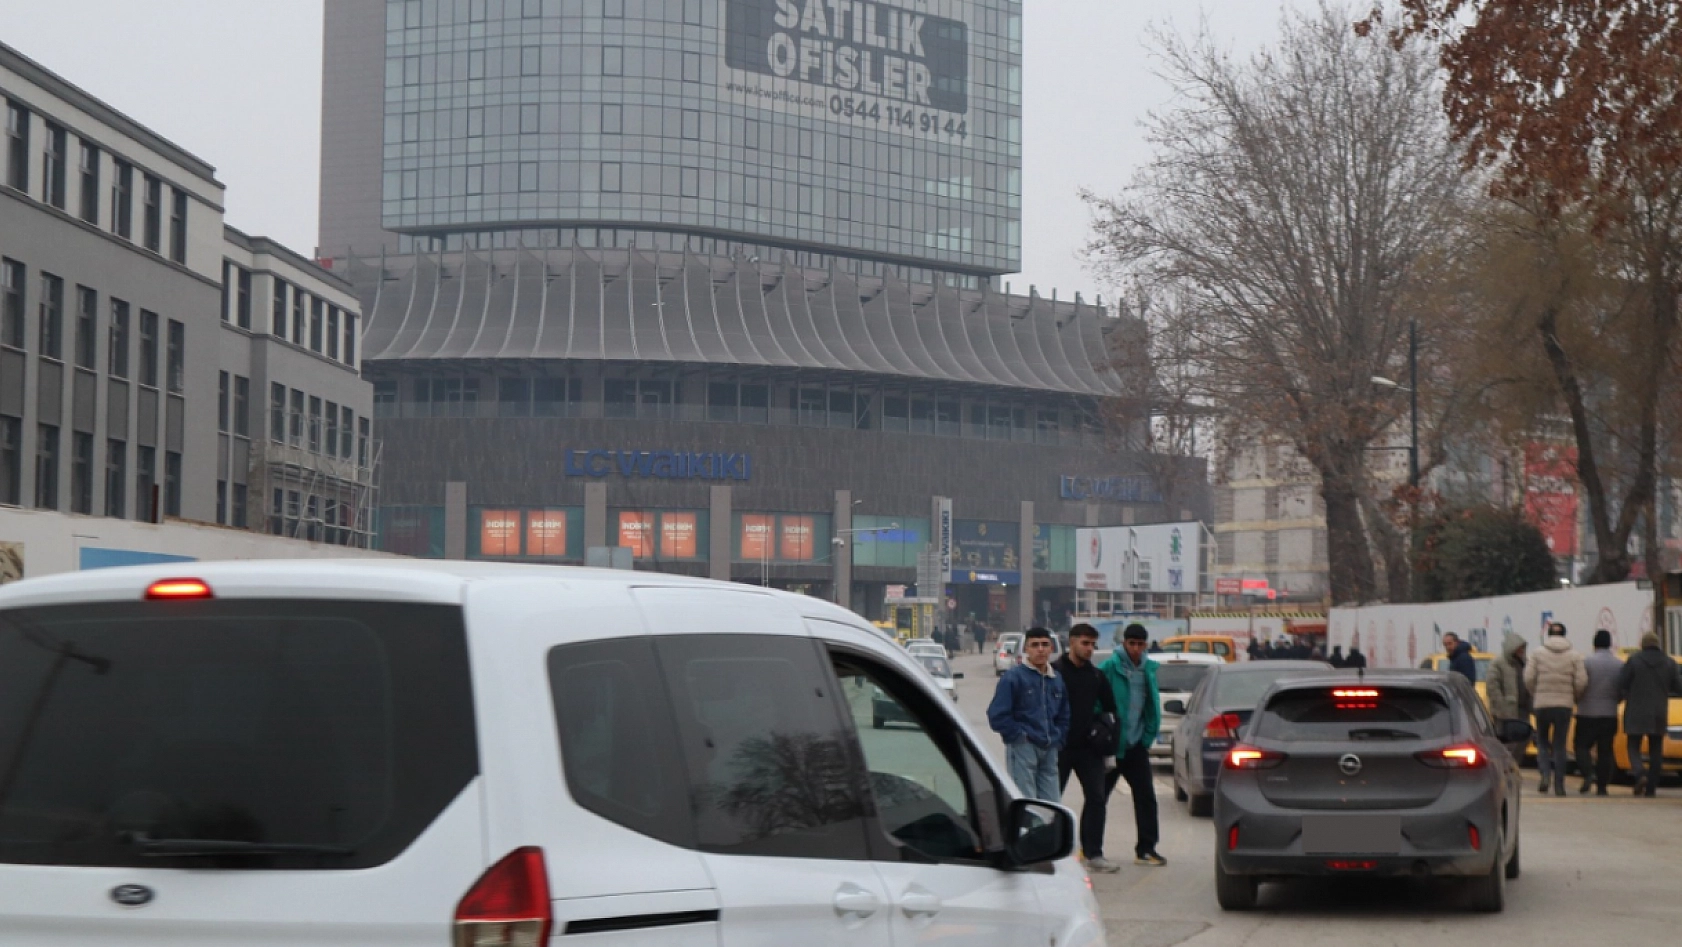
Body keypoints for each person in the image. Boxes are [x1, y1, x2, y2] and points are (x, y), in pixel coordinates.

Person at [1055, 623, 1123, 873]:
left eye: (1093, 644)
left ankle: (1094, 852)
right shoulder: (1054, 672)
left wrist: (1104, 734)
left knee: (1096, 798)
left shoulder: (1096, 676)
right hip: (1059, 748)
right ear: (1071, 642)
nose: (1090, 649)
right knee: (1051, 801)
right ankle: (1049, 851)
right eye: (1085, 643)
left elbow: (1111, 710)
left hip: (1088, 749)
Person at [1099, 623, 1166, 867]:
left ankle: (1146, 849)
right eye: (1132, 644)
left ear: (1146, 645)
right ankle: (1091, 847)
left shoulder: (1148, 669)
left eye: (1140, 644)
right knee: (1099, 797)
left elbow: (1151, 705)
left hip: (1136, 745)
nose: (1136, 649)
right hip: (1111, 746)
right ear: (1124, 643)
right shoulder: (1109, 667)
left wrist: (1147, 737)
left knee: (1146, 797)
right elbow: (1096, 702)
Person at [987, 627, 1068, 802]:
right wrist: (1019, 737)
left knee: (1052, 806)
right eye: (1035, 645)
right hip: (1023, 749)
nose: (1040, 649)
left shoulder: (1057, 679)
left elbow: (1064, 713)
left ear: (1051, 648)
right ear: (1026, 649)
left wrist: (1059, 737)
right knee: (1027, 805)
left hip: (1050, 749)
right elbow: (997, 715)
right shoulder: (1013, 678)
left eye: (1045, 645)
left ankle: (1047, 830)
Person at [1526, 622, 1587, 795]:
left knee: (1543, 743)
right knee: (1560, 745)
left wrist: (1536, 693)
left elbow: (1529, 678)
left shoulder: (1537, 654)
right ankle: (1559, 784)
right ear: (1565, 635)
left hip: (1542, 704)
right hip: (1564, 705)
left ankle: (1545, 775)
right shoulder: (1575, 656)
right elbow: (1581, 681)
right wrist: (1573, 696)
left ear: (1549, 635)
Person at [1618, 632, 1682, 797]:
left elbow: (1622, 682)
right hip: (1659, 711)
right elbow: (1678, 686)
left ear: (1643, 644)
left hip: (1635, 709)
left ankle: (1640, 774)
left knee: (1633, 745)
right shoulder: (1669, 662)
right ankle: (1651, 787)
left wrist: (1624, 695)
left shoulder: (1634, 660)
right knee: (1656, 748)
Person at [1575, 629, 1622, 796]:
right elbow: (1621, 689)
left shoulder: (1587, 662)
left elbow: (1579, 684)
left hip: (1587, 712)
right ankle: (1602, 787)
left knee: (1581, 746)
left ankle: (1588, 773)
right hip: (1609, 714)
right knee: (1605, 751)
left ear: (1594, 644)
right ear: (1610, 644)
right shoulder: (1618, 664)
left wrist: (1578, 699)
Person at [1486, 635, 1532, 761]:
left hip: (1523, 709)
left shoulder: (1526, 663)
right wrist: (1500, 704)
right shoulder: (1498, 664)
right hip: (1506, 711)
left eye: (1523, 648)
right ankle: (1504, 766)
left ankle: (1515, 764)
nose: (1521, 651)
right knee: (1508, 742)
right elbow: (1492, 686)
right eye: (1519, 648)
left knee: (1523, 740)